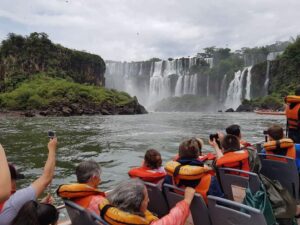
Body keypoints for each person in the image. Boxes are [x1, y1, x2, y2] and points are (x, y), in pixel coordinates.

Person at [0, 138, 57, 225]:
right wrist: (52, 149)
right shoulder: (14, 200)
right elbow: (47, 177)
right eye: (14, 179)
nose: (16, 183)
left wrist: (38, 205)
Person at [99, 179, 196, 225]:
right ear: (137, 204)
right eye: (146, 198)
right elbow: (173, 219)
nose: (149, 200)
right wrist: (187, 201)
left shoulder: (106, 214)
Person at [165, 138, 223, 203]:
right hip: (203, 212)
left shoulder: (170, 176)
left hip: (178, 208)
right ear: (198, 154)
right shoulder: (210, 180)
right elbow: (220, 204)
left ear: (179, 154)